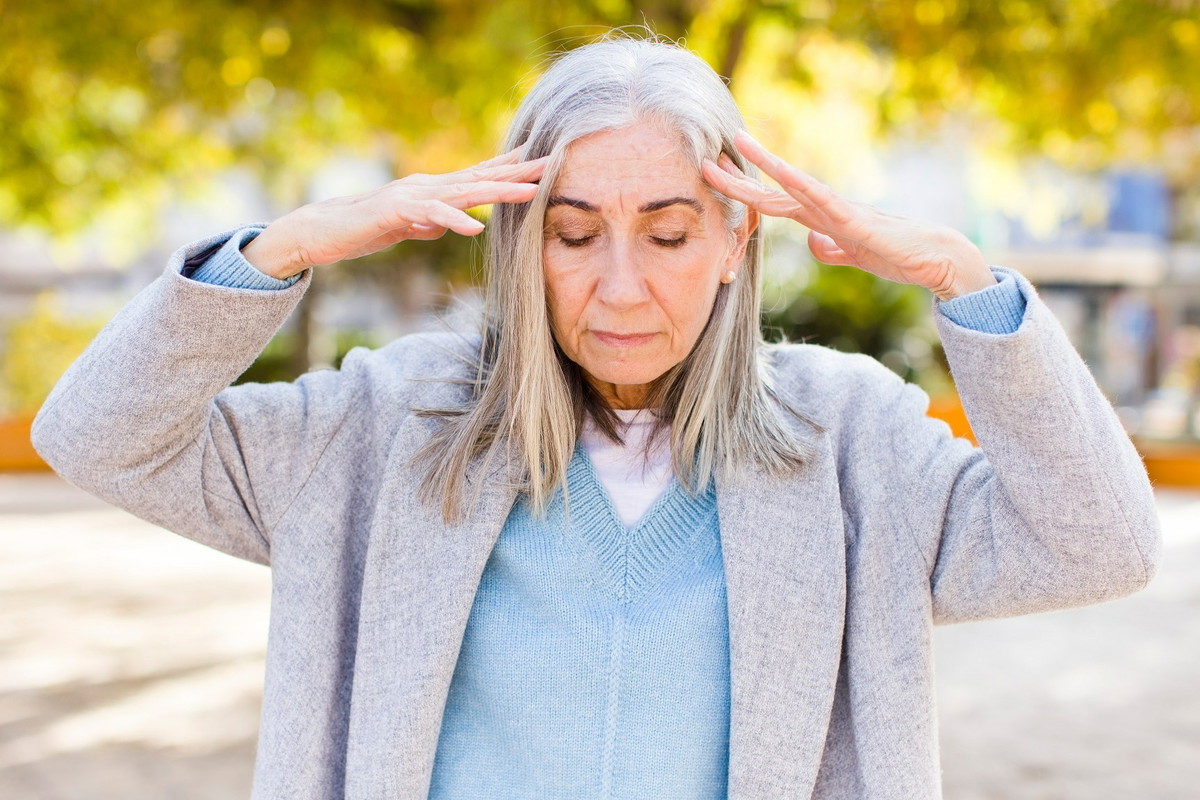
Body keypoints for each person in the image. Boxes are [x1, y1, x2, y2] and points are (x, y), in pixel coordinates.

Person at [33, 34, 1160, 800]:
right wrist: (286, 249)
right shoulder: (382, 423)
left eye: (669, 232)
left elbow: (1098, 541)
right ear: (522, 241)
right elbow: (97, 433)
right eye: (574, 233)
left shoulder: (849, 439)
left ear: (733, 243)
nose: (621, 284)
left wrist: (968, 284)